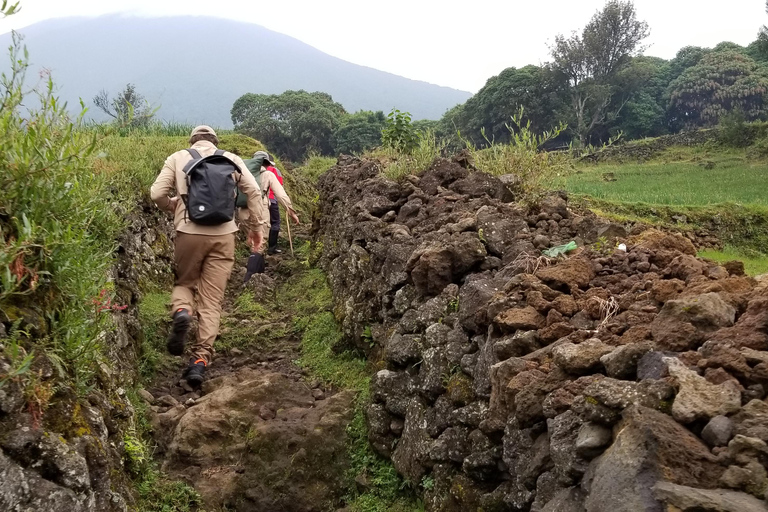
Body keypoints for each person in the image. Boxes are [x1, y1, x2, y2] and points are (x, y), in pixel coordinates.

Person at [150, 125, 268, 387]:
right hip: (224, 234)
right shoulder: (232, 159)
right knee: (212, 301)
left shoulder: (178, 157)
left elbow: (156, 193)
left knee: (184, 283)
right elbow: (253, 191)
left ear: (192, 140)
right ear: (215, 142)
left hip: (188, 231)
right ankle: (200, 361)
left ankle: (182, 311)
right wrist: (256, 228)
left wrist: (172, 205)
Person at [241, 151, 299, 253]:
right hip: (260, 210)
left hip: (243, 211)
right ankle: (254, 268)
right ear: (267, 164)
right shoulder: (268, 174)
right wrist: (291, 212)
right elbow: (281, 194)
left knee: (253, 242)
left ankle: (257, 265)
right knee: (260, 243)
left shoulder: (243, 173)